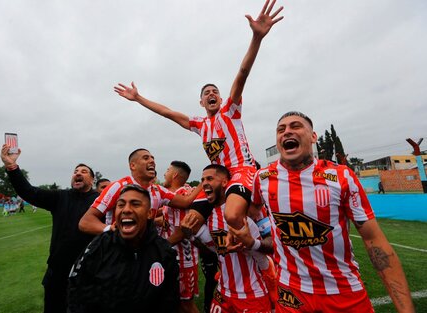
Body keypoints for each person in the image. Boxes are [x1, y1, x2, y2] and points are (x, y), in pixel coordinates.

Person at [114, 0, 284, 233]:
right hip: (215, 177)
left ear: (222, 99)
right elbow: (167, 112)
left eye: (215, 91)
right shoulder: (199, 124)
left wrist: (256, 38)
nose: (212, 94)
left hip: (241, 171)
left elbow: (242, 74)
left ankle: (265, 246)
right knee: (190, 223)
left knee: (233, 214)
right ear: (201, 102)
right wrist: (139, 98)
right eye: (206, 93)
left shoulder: (230, 111)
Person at [251, 111, 415, 312]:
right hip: (291, 294)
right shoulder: (263, 178)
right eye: (281, 129)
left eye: (296, 126)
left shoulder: (341, 176)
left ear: (313, 137)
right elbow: (252, 211)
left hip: (343, 291)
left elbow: (374, 241)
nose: (287, 132)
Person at [0, 144, 99, 313]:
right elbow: (29, 192)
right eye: (76, 171)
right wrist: (12, 167)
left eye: (84, 171)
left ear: (92, 180)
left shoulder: (100, 201)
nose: (78, 173)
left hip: (89, 273)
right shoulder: (60, 197)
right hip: (57, 273)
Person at [68, 184, 180, 313]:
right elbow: (77, 291)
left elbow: (170, 301)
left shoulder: (165, 252)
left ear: (149, 213)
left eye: (135, 204)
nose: (126, 210)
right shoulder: (100, 245)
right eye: (120, 205)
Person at [181, 164, 275, 313]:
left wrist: (252, 243)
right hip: (222, 292)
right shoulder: (209, 215)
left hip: (252, 293)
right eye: (202, 179)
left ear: (225, 182)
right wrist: (191, 236)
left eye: (210, 178)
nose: (204, 183)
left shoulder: (249, 210)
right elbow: (212, 250)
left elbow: (272, 246)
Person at [78, 148, 201, 235]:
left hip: (144, 254)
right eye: (146, 158)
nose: (152, 161)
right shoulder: (118, 186)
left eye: (153, 158)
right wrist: (110, 229)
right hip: (118, 253)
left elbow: (185, 202)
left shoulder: (158, 190)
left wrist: (204, 181)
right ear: (133, 166)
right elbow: (86, 222)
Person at [160, 161, 200, 313]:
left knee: (186, 304)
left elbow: (183, 230)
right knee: (176, 302)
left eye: (168, 170)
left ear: (175, 174)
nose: (165, 173)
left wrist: (160, 246)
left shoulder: (182, 194)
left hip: (183, 260)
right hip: (174, 257)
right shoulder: (174, 194)